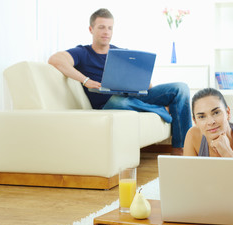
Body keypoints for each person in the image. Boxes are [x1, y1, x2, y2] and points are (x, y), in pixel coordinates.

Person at [48, 8, 192, 155]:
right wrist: (86, 80)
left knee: (181, 88)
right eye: (101, 27)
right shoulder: (82, 52)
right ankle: (162, 110)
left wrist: (141, 81)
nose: (106, 32)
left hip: (132, 97)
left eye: (110, 28)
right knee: (119, 101)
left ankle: (181, 149)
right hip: (108, 104)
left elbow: (148, 86)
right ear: (91, 29)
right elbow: (55, 60)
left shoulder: (121, 53)